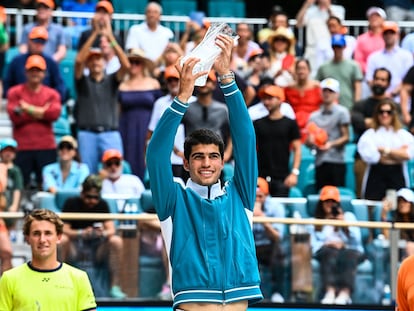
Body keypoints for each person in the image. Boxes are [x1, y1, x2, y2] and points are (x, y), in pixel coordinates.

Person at [146, 34, 263, 309]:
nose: (207, 163)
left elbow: (246, 139)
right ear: (186, 163)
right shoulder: (173, 200)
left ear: (223, 162)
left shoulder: (240, 195)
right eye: (198, 157)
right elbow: (155, 154)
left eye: (213, 156)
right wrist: (183, 97)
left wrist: (227, 79)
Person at [0, 208, 97, 310]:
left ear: (59, 237)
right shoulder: (9, 279)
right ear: (27, 238)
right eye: (36, 233)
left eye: (48, 233)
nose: (42, 239)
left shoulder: (79, 278)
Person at [74, 15, 130, 174]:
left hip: (110, 132)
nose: (95, 62)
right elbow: (78, 61)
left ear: (104, 62)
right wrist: (95, 34)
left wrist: (110, 37)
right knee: (88, 173)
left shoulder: (112, 80)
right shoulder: (83, 81)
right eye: (91, 60)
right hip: (87, 133)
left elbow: (125, 64)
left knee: (116, 172)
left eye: (98, 59)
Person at [60, 174, 126, 299]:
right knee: (62, 240)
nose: (92, 201)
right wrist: (81, 233)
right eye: (89, 197)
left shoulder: (102, 205)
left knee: (116, 241)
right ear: (82, 194)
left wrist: (102, 233)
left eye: (96, 197)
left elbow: (111, 229)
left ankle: (114, 286)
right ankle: (58, 283)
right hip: (75, 247)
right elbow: (63, 229)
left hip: (97, 249)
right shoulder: (71, 203)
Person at [7, 54, 61, 188]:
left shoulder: (52, 93)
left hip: (46, 147)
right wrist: (42, 111)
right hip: (22, 147)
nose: (35, 73)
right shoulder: (15, 92)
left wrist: (27, 108)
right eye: (32, 70)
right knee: (20, 185)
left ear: (44, 73)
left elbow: (54, 114)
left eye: (38, 70)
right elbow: (15, 117)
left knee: (46, 185)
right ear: (25, 72)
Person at [309, 185, 364, 305]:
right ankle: (330, 291)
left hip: (348, 249)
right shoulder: (316, 220)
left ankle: (345, 293)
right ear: (321, 203)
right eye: (326, 201)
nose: (330, 204)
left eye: (333, 202)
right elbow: (313, 245)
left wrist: (344, 224)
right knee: (329, 253)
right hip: (326, 250)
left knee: (349, 255)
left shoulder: (348, 217)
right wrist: (327, 243)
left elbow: (357, 241)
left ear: (338, 203)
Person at [357, 99, 414, 201]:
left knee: (400, 206)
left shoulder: (403, 135)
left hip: (398, 175)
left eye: (388, 112)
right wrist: (397, 155)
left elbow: (407, 155)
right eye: (381, 112)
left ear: (394, 114)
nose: (385, 115)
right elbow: (373, 157)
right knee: (373, 206)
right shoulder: (369, 135)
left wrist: (383, 150)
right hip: (376, 176)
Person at [118, 48, 161, 179]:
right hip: (127, 127)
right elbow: (118, 109)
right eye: (131, 61)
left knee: (147, 156)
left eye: (137, 62)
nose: (133, 65)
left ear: (142, 65)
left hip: (148, 126)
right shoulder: (122, 85)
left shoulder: (153, 83)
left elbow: (160, 108)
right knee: (128, 155)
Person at [147, 65, 195, 182]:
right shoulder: (160, 103)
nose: (173, 83)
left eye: (176, 79)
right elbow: (153, 131)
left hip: (192, 156)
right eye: (170, 80)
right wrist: (176, 150)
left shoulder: (194, 101)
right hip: (169, 157)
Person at [254, 84, 301, 197]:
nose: (266, 102)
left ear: (280, 100)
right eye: (264, 98)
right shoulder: (257, 124)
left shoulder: (290, 123)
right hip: (260, 177)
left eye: (270, 98)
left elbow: (297, 149)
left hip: (282, 177)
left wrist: (294, 173)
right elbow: (250, 150)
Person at [352, 67, 392, 197]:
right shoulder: (361, 105)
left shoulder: (393, 106)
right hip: (363, 157)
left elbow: (396, 126)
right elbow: (357, 123)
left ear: (388, 84)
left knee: (391, 198)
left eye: (383, 80)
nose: (379, 82)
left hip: (390, 159)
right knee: (364, 197)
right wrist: (380, 123)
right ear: (372, 81)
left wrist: (370, 122)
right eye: (377, 79)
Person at [306, 78, 350, 191]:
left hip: (336, 161)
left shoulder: (342, 112)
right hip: (320, 161)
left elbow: (346, 137)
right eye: (325, 91)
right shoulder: (314, 116)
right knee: (321, 193)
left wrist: (330, 144)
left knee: (337, 193)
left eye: (331, 91)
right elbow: (308, 140)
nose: (327, 94)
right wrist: (311, 142)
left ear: (337, 94)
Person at [3, 25, 67, 102]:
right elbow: (7, 86)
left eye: (42, 41)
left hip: (44, 105)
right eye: (36, 40)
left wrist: (49, 103)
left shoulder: (50, 62)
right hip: (21, 104)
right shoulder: (17, 61)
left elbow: (60, 88)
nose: (38, 44)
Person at [181, 70, 233, 164]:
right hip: (193, 155)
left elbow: (233, 132)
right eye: (201, 81)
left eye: (207, 80)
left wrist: (228, 153)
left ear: (214, 85)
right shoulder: (187, 108)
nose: (204, 84)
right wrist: (177, 151)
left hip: (215, 155)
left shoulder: (222, 109)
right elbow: (170, 129)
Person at [253, 177, 286, 302]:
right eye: (255, 196)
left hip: (269, 245)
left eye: (260, 196)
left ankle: (278, 292)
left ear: (266, 195)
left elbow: (278, 236)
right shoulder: (243, 205)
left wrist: (262, 219)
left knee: (279, 251)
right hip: (250, 246)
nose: (257, 199)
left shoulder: (276, 207)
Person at [295, 0, 345, 77]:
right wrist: (307, 4)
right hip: (312, 50)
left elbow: (339, 24)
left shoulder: (339, 9)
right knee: (312, 76)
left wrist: (328, 7)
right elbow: (298, 24)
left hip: (330, 49)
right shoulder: (310, 11)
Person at [366, 21, 413, 102]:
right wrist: (382, 95)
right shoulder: (374, 57)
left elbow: (408, 80)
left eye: (392, 33)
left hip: (400, 101)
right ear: (382, 35)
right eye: (386, 33)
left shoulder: (406, 56)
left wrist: (392, 94)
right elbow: (370, 79)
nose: (389, 36)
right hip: (378, 102)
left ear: (397, 35)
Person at [316, 34, 363, 110]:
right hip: (329, 107)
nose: (337, 49)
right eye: (335, 47)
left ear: (344, 47)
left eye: (339, 47)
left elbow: (358, 87)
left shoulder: (353, 65)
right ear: (332, 47)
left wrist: (356, 105)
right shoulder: (324, 67)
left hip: (348, 105)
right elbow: (318, 85)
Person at [284, 58, 323, 140]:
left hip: (313, 125)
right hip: (294, 126)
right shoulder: (288, 89)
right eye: (298, 68)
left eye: (304, 68)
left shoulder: (317, 87)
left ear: (309, 71)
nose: (301, 71)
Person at [381, 188, 414, 260]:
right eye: (399, 201)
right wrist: (384, 213)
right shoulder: (394, 221)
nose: (402, 204)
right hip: (399, 254)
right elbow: (387, 238)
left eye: (405, 201)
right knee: (410, 247)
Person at [353, 7, 386, 76]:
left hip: (386, 75)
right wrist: (371, 72)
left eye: (377, 16)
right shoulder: (361, 38)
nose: (374, 18)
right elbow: (358, 60)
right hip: (366, 75)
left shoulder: (388, 37)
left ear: (383, 19)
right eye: (371, 17)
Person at [0, 138, 23, 229]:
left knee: (9, 229)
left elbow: (17, 189)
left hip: (9, 205)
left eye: (11, 151)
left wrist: (14, 205)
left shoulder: (16, 170)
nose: (8, 153)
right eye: (6, 150)